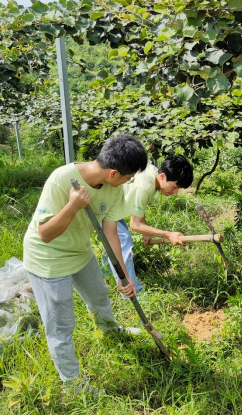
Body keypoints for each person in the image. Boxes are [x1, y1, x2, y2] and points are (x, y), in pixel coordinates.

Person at [23, 134, 148, 394]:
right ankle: (72, 383)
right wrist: (73, 205)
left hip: (80, 253)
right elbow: (45, 234)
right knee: (61, 325)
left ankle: (110, 330)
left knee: (99, 295)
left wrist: (124, 278)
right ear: (114, 173)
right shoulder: (61, 179)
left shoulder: (115, 188)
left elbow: (111, 233)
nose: (129, 181)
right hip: (48, 261)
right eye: (128, 177)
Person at [103, 155, 194, 295]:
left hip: (113, 202)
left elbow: (138, 208)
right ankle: (131, 293)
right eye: (175, 186)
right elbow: (135, 224)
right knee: (123, 241)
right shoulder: (145, 186)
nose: (176, 192)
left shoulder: (151, 172)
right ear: (163, 176)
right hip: (102, 203)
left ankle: (107, 276)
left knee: (113, 243)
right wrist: (168, 234)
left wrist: (147, 232)